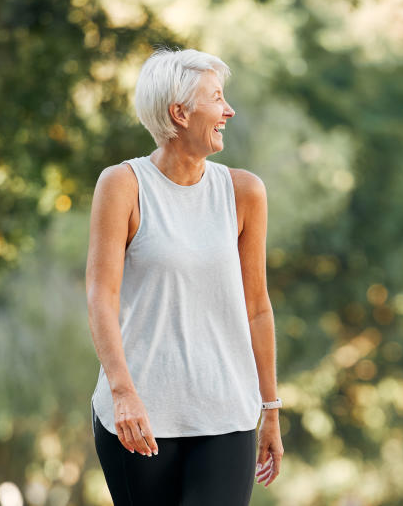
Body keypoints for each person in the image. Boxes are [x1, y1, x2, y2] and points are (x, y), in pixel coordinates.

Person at [86, 48, 283, 505]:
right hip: (140, 416)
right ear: (180, 112)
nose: (228, 110)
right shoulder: (123, 185)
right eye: (216, 98)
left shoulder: (244, 192)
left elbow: (257, 308)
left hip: (226, 414)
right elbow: (101, 297)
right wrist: (123, 393)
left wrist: (270, 409)